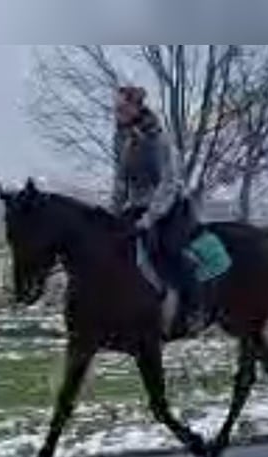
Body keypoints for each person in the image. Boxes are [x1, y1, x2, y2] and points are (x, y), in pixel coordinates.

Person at [110, 85, 204, 336]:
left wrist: (150, 217)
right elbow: (120, 179)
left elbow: (169, 182)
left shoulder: (159, 138)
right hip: (137, 204)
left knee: (168, 251)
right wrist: (114, 212)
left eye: (121, 107)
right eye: (115, 107)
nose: (116, 112)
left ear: (136, 107)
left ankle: (194, 308)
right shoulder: (119, 137)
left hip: (170, 205)